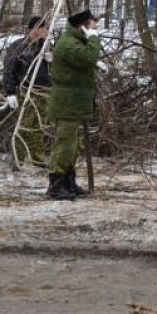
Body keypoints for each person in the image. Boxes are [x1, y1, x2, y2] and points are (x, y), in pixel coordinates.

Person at [46, 10, 100, 200]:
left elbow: (86, 60)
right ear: (83, 26)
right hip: (67, 102)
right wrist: (93, 40)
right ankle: (55, 184)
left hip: (73, 101)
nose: (96, 28)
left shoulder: (75, 41)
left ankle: (68, 182)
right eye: (93, 24)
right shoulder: (69, 43)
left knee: (72, 145)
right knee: (64, 144)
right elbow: (87, 58)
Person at [3, 15, 53, 167]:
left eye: (45, 28)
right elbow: (9, 70)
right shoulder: (19, 47)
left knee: (39, 126)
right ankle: (18, 158)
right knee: (24, 125)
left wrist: (52, 60)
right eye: (42, 28)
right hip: (26, 90)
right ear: (34, 29)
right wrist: (10, 92)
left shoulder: (46, 46)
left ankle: (37, 157)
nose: (45, 31)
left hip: (44, 91)